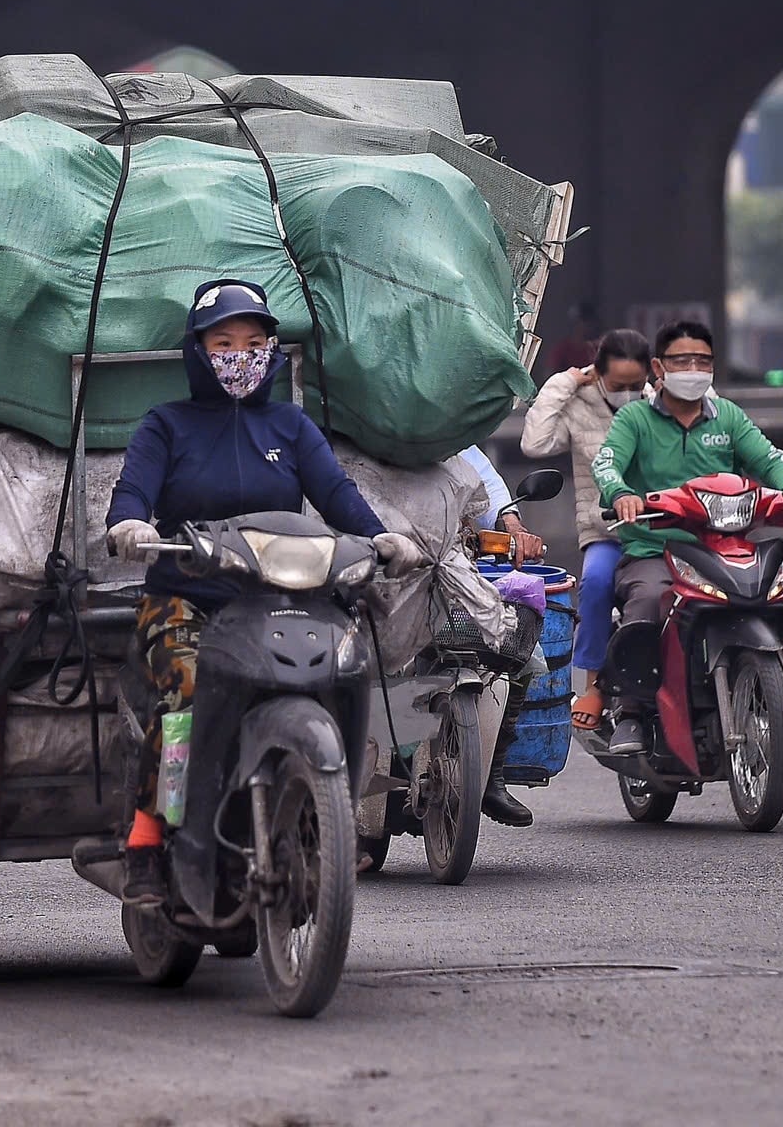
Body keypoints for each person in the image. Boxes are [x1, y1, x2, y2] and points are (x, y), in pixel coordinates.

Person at [104, 280, 419, 907]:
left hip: (279, 602)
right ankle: (146, 841)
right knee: (186, 696)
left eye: (253, 342)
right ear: (198, 350)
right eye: (223, 342)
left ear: (271, 349)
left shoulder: (290, 424)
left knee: (334, 667)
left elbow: (337, 497)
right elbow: (131, 495)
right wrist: (131, 526)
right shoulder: (166, 425)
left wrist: (383, 538)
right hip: (188, 600)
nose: (239, 354)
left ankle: (317, 809)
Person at [590, 322, 783, 757]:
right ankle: (631, 712)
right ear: (659, 368)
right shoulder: (635, 419)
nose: (694, 369)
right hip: (655, 551)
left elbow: (769, 457)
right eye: (683, 361)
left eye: (703, 361)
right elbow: (606, 464)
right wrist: (622, 495)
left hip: (724, 549)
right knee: (646, 605)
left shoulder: (730, 418)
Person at [518, 328, 653, 719]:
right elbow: (535, 443)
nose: (628, 392)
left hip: (662, 529)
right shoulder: (579, 404)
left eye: (637, 384)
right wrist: (567, 381)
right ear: (598, 373)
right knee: (595, 583)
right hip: (605, 531)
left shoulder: (660, 404)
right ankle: (594, 685)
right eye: (618, 384)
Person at [452, 445, 553, 828]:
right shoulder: (373, 427)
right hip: (393, 567)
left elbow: (491, 489)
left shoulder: (457, 433)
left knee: (523, 647)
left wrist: (512, 526)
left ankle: (493, 773)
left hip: (458, 569)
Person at [545, 301, 600, 375]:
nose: (589, 326)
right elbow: (550, 372)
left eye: (591, 322)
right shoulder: (564, 348)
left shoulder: (597, 349)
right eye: (584, 321)